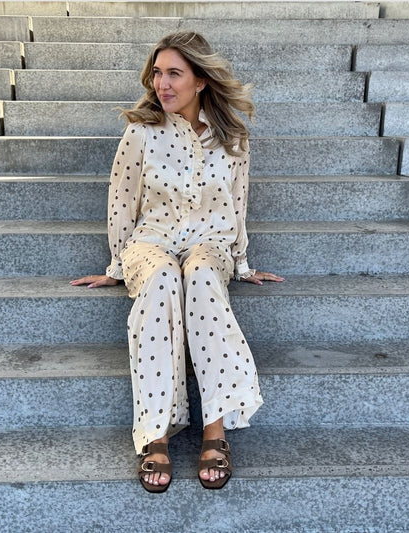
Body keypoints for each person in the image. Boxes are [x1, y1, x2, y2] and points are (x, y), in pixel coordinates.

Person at [71, 30, 284, 493]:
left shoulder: (233, 137)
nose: (162, 84)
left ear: (200, 80)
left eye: (174, 74)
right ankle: (156, 434)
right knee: (164, 277)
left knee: (203, 275)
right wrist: (116, 267)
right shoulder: (140, 132)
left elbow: (238, 203)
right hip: (153, 240)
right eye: (157, 73)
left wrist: (242, 264)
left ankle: (215, 430)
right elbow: (121, 202)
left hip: (210, 242)